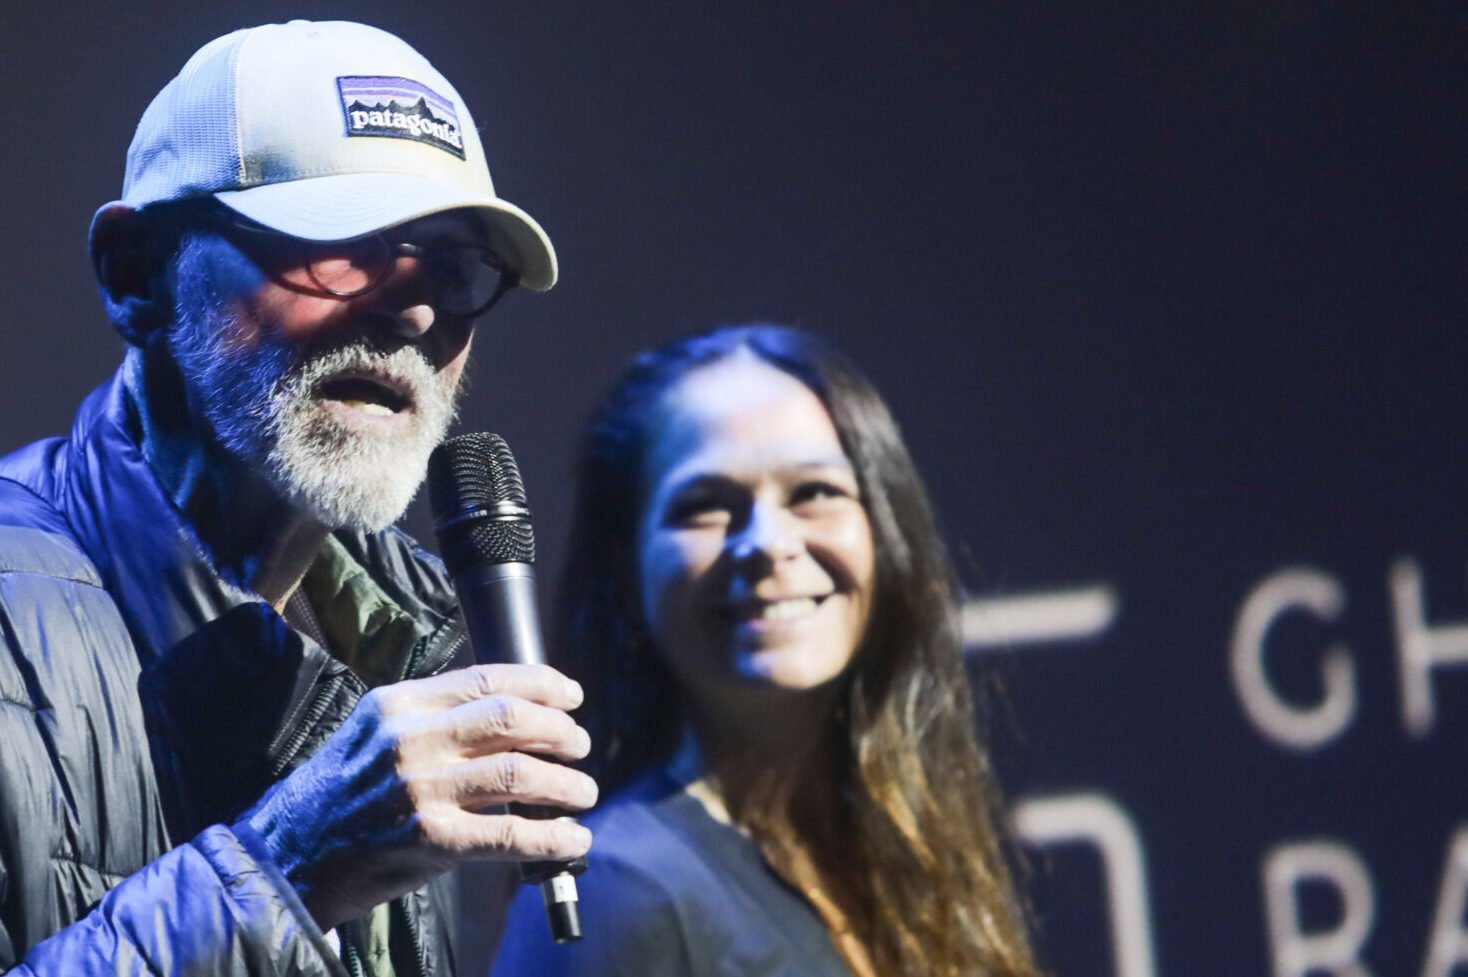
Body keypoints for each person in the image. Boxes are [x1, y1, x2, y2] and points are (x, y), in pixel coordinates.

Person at [0, 20, 597, 975]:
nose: (413, 311)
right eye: (341, 242)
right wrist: (284, 866)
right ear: (136, 274)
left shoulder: (402, 648)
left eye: (451, 267)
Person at [493, 325, 1040, 977]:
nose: (767, 542)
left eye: (815, 493)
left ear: (886, 529)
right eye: (703, 506)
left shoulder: (912, 854)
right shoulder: (618, 891)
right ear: (626, 570)